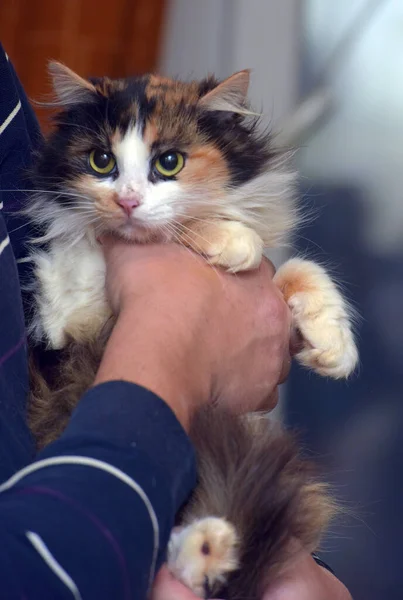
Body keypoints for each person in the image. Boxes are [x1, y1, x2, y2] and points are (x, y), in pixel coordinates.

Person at [0, 44, 351, 599]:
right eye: (103, 164)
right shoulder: (69, 252)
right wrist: (177, 315)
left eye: (167, 162)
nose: (129, 198)